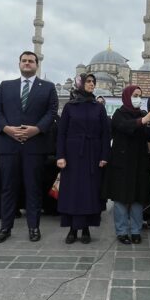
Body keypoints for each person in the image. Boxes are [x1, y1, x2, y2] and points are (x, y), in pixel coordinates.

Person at [0, 51, 58, 243]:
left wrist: (36, 129)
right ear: (19, 63)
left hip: (34, 146)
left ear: (37, 65)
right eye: (24, 60)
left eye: (31, 61)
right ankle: (5, 227)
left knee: (33, 187)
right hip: (9, 146)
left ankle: (33, 227)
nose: (27, 63)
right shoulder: (5, 86)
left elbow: (51, 111)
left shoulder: (47, 87)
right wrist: (7, 129)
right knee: (8, 188)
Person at [56, 73, 111, 244]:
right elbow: (61, 133)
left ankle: (86, 228)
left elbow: (105, 134)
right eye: (88, 82)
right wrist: (60, 156)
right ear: (80, 84)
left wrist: (104, 156)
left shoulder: (98, 107)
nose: (91, 84)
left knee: (89, 193)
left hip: (92, 155)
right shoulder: (70, 107)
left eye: (93, 82)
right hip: (72, 155)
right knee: (73, 192)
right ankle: (72, 229)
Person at [102, 85, 150, 245]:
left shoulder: (142, 114)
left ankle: (135, 231)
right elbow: (125, 127)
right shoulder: (119, 114)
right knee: (121, 198)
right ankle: (122, 231)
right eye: (135, 95)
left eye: (140, 95)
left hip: (140, 163)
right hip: (122, 163)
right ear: (126, 96)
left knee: (138, 198)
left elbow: (148, 136)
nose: (138, 98)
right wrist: (143, 121)